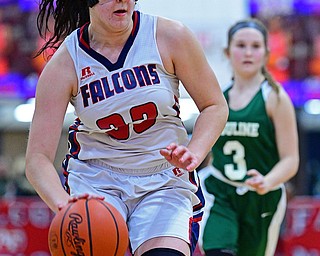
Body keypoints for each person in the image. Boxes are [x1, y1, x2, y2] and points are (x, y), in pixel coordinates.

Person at [25, 0, 228, 256]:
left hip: (163, 178)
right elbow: (37, 160)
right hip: (97, 183)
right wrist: (65, 206)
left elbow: (214, 106)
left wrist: (194, 152)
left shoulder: (169, 36)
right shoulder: (65, 63)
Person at [200, 18, 299, 256]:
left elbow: (291, 160)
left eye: (255, 46)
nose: (247, 52)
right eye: (240, 45)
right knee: (218, 250)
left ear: (266, 53)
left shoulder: (275, 98)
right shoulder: (218, 99)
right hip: (221, 192)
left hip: (261, 197)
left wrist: (268, 181)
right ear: (227, 51)